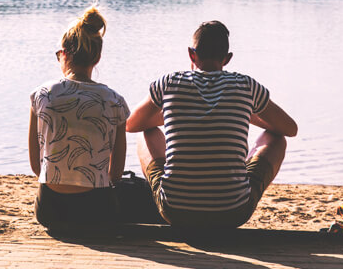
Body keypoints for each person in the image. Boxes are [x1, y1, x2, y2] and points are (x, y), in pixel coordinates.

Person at [126, 20, 297, 228]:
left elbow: (132, 124)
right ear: (227, 59)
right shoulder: (245, 85)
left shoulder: (170, 82)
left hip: (175, 211)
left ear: (191, 54)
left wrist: (176, 111)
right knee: (276, 137)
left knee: (146, 131)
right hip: (233, 212)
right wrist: (246, 112)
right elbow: (290, 129)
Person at [28, 5, 129, 229]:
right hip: (97, 211)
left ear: (63, 54)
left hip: (50, 210)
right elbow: (116, 173)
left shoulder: (41, 95)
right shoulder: (115, 101)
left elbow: (37, 167)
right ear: (98, 57)